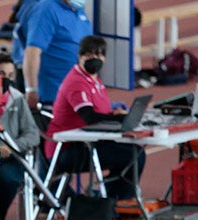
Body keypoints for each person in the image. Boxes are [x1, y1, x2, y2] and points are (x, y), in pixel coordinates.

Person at [43, 36, 146, 202]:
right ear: (80, 56)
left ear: (104, 57)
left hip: (86, 143)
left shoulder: (94, 79)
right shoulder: (77, 82)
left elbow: (100, 110)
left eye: (99, 55)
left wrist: (114, 113)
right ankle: (116, 203)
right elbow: (89, 116)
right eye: (89, 54)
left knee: (132, 151)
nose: (94, 59)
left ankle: (112, 200)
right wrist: (120, 119)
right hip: (67, 151)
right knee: (133, 155)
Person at [0, 53, 40, 220]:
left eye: (10, 75)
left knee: (7, 178)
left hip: (11, 158)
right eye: (0, 73)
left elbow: (33, 134)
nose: (5, 79)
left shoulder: (17, 99)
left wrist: (13, 146)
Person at [22, 0, 93, 113]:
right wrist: (32, 89)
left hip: (79, 91)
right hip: (55, 95)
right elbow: (32, 52)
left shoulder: (77, 9)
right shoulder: (46, 11)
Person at [8, 0, 52, 90]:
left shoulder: (27, 2)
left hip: (20, 64)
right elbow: (34, 40)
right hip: (27, 67)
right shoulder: (36, 8)